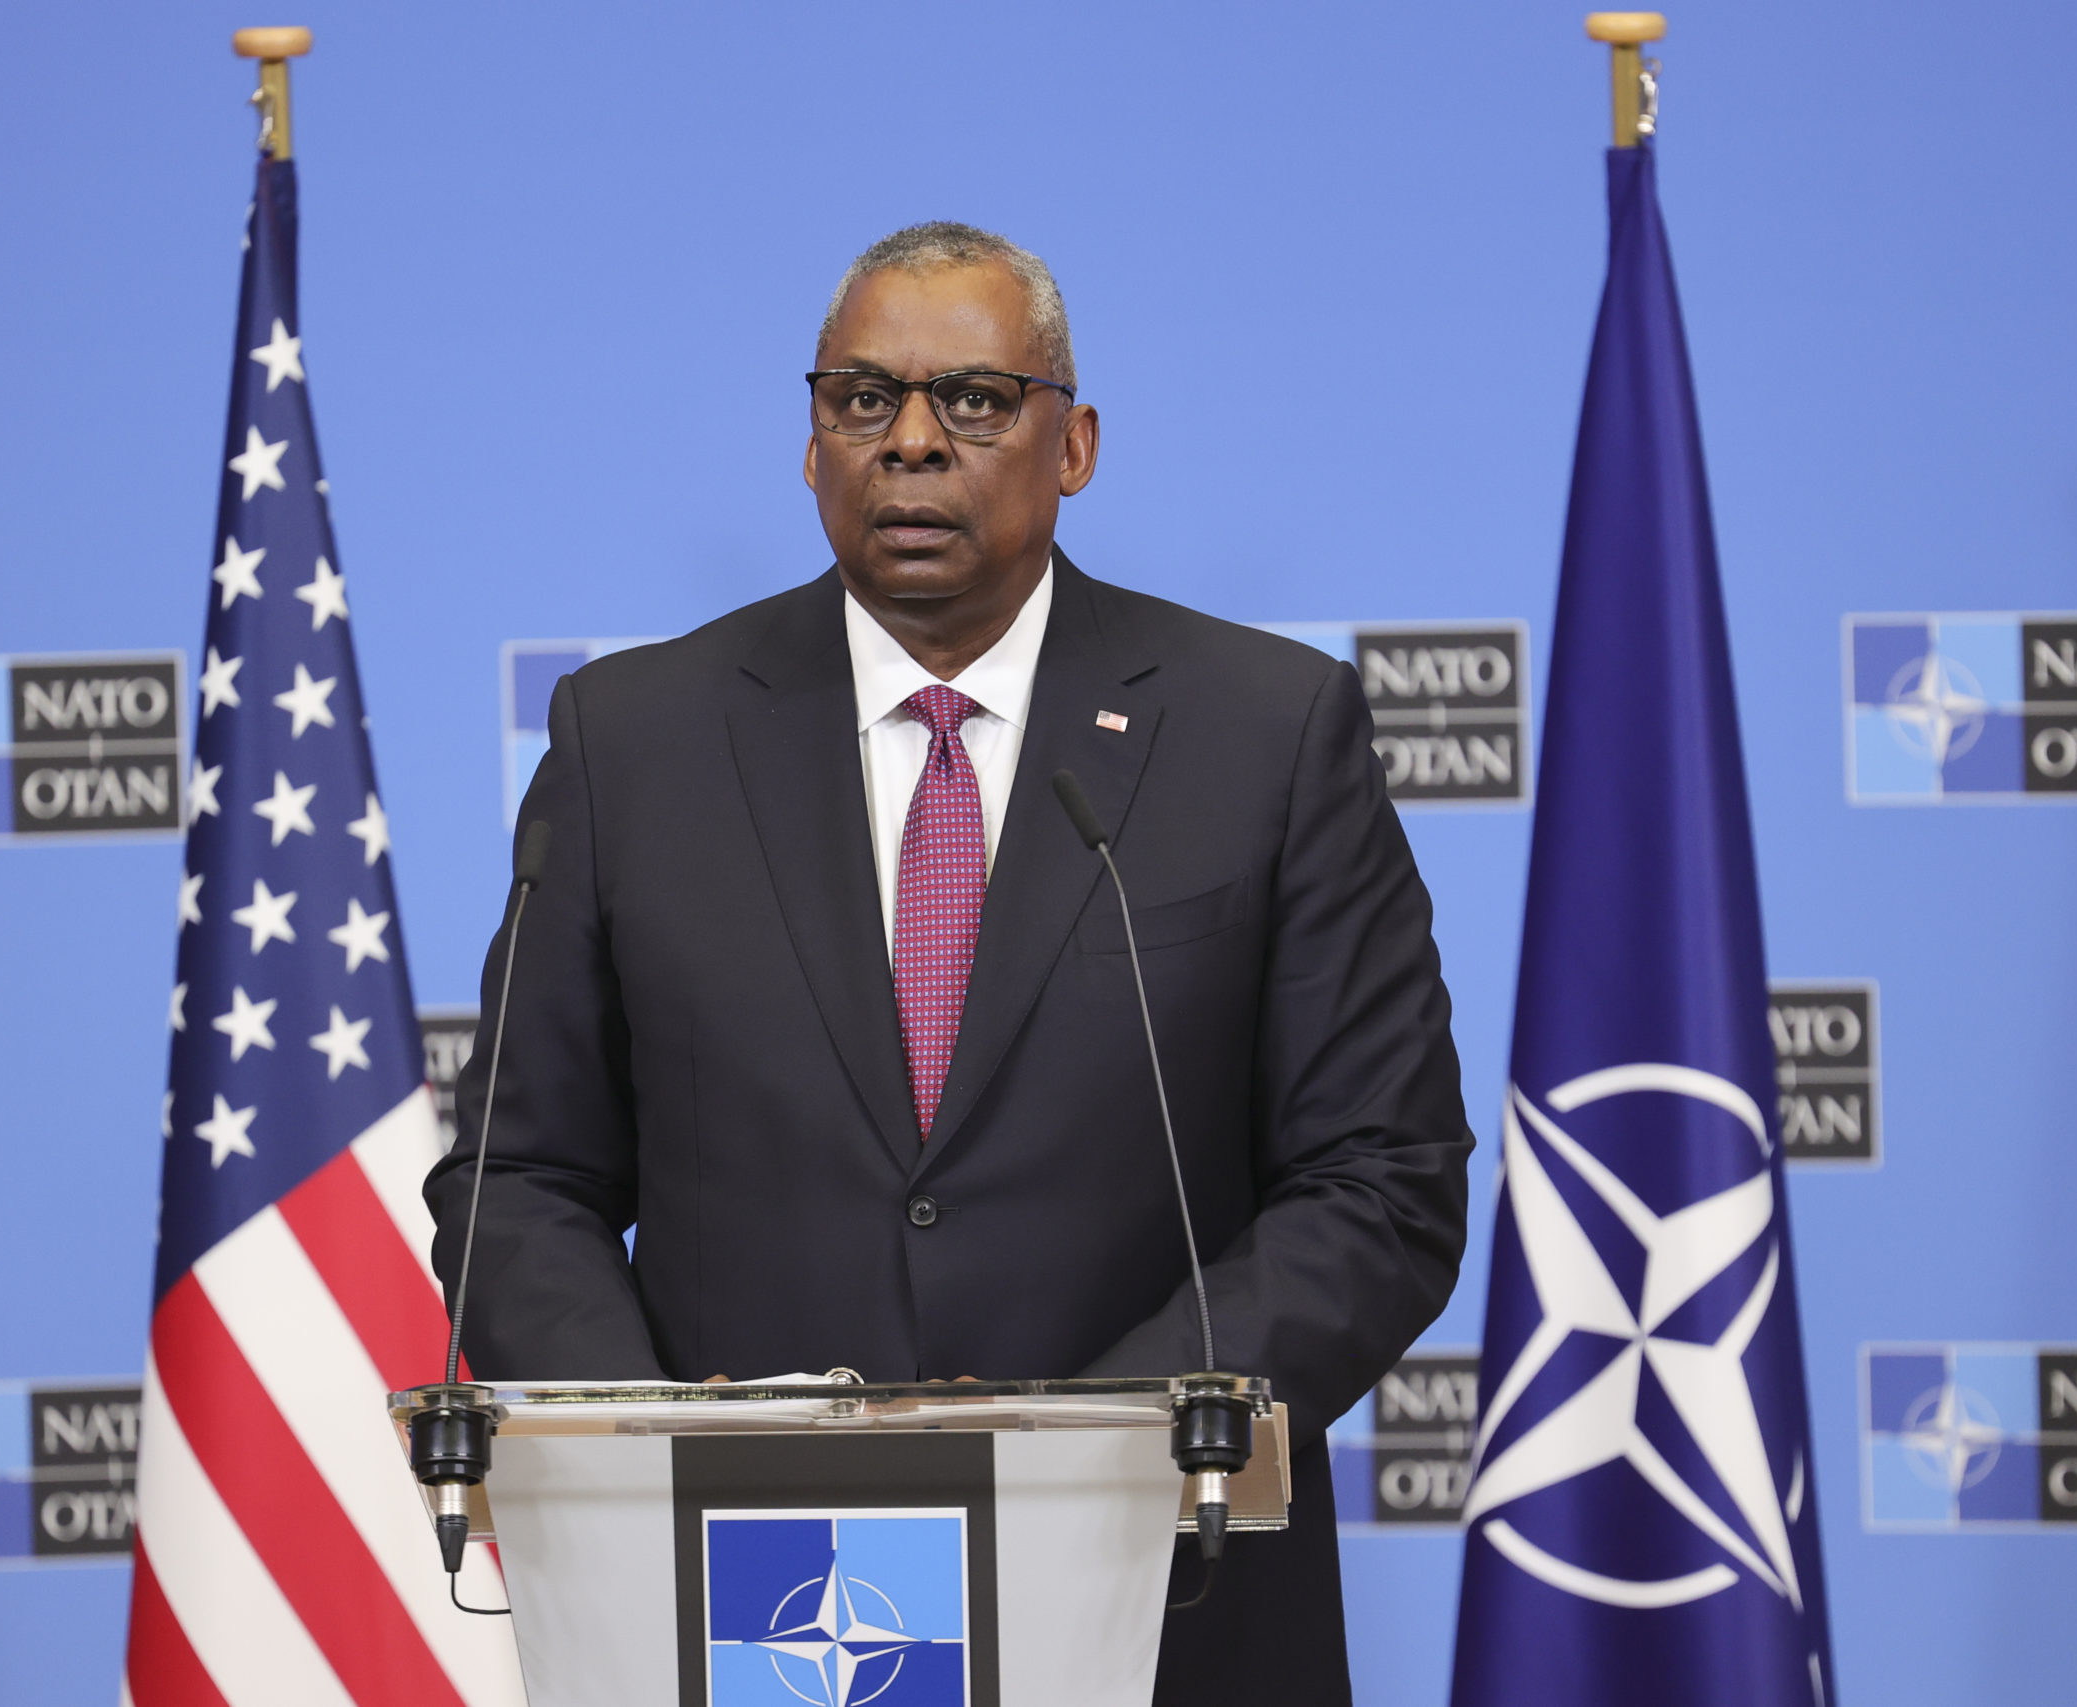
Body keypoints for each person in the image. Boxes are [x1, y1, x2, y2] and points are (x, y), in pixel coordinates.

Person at [428, 222, 1473, 1702]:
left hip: (1160, 1593)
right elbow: (516, 1181)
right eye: (864, 399)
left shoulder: (1268, 734)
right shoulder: (635, 744)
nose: (912, 443)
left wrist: (1087, 1444)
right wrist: (663, 1443)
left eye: (975, 400)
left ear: (1076, 444)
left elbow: (1384, 1178)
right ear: (810, 444)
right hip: (748, 1607)